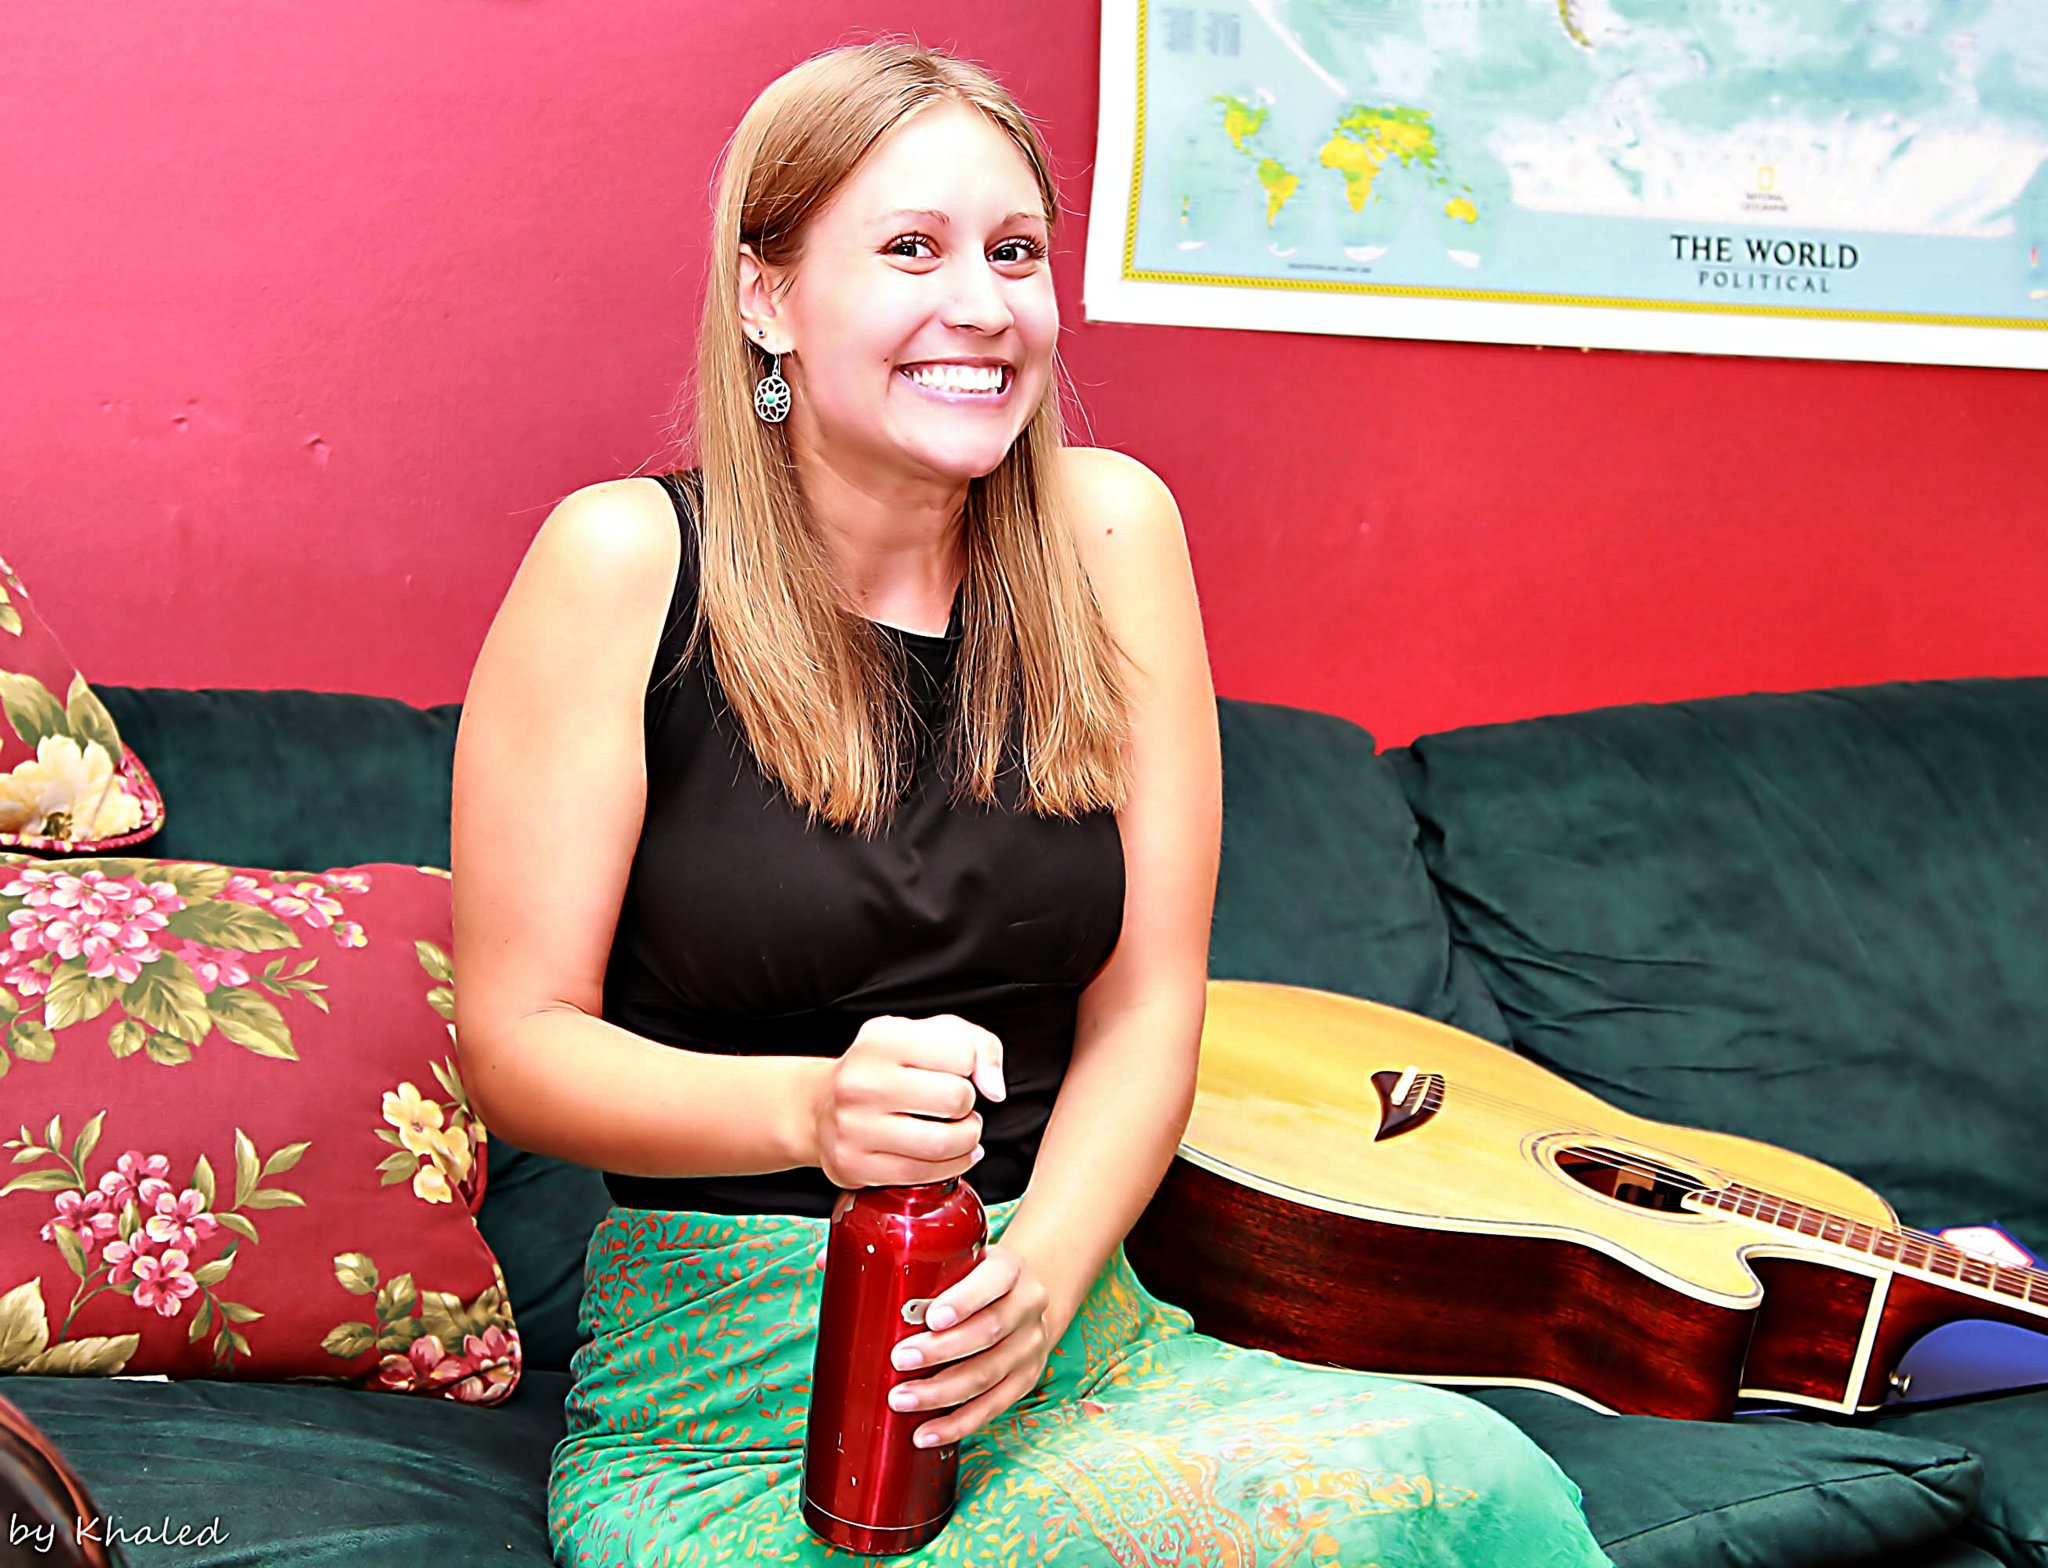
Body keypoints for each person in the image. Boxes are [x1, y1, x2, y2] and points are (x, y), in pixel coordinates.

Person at [451, 37, 1612, 1568]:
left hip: (1076, 1339)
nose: (984, 305)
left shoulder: (1111, 532)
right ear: (765, 295)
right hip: (729, 1388)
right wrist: (807, 1109)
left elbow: (1150, 1007)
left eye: (1014, 253)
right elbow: (518, 1048)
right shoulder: (623, 563)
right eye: (910, 250)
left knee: (1468, 1482)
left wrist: (1043, 1281)